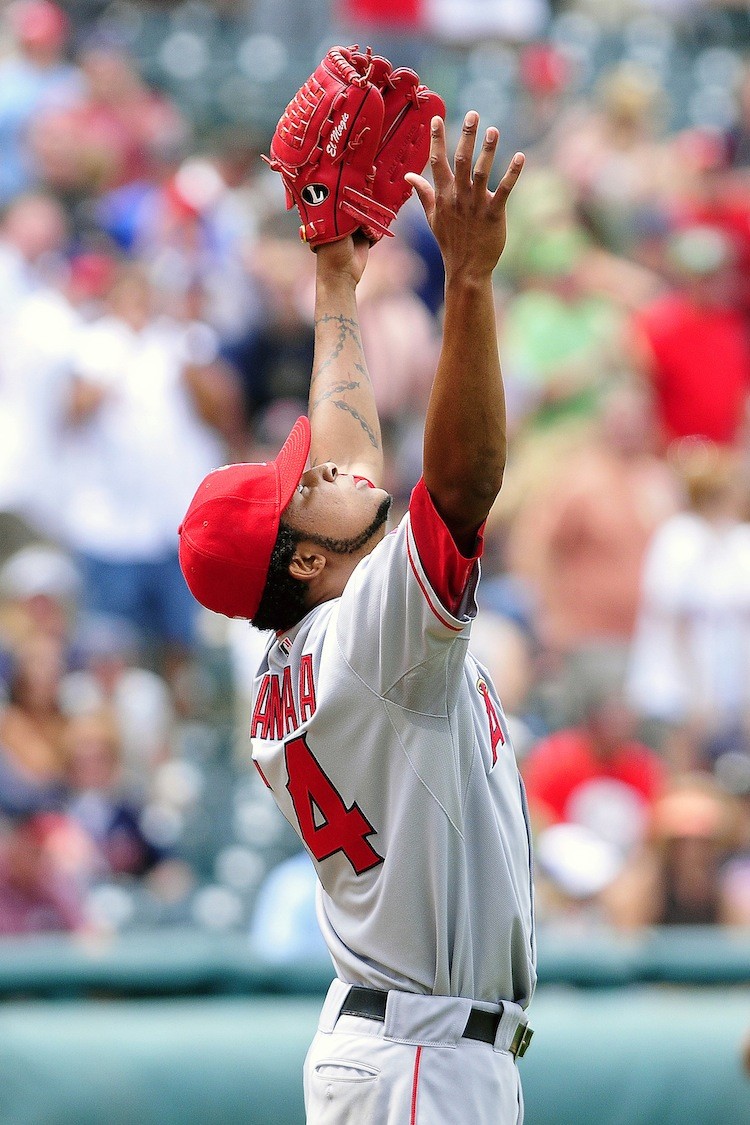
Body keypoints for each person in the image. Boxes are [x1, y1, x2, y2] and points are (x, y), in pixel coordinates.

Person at [179, 113, 534, 1123]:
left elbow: (353, 465)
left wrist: (337, 281)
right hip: (420, 1056)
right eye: (307, 488)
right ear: (302, 556)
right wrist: (465, 283)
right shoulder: (365, 638)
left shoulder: (311, 639)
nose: (331, 467)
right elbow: (464, 483)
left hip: (400, 1046)